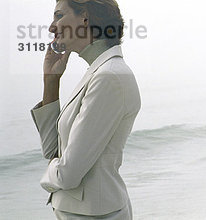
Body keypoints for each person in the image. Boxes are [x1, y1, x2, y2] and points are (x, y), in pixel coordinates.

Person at [30, 0, 140, 219]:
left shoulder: (108, 77)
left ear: (86, 18)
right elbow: (53, 152)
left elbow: (68, 174)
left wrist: (46, 176)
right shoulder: (98, 73)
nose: (52, 27)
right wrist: (51, 83)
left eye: (59, 16)